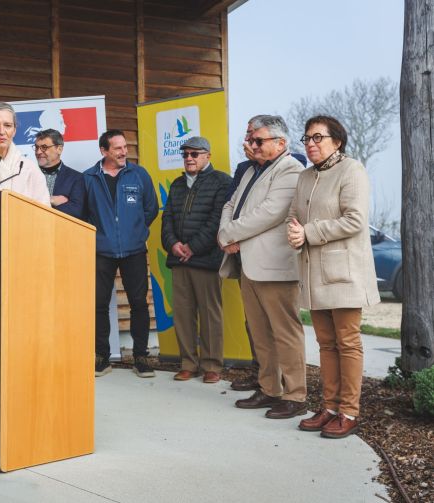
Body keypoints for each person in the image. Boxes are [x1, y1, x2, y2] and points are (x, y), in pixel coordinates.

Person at [287, 116, 380, 438]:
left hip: (344, 273)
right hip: (313, 273)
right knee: (326, 344)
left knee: (348, 342)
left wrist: (308, 233)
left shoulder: (352, 170)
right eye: (307, 139)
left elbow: (355, 220)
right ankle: (328, 407)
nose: (311, 144)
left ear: (337, 141)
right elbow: (293, 216)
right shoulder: (305, 176)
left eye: (318, 138)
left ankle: (349, 411)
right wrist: (294, 232)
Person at [218, 115, 307, 420]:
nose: (251, 145)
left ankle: (296, 395)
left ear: (281, 143)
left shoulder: (291, 169)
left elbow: (269, 213)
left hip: (275, 267)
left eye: (259, 140)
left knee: (285, 333)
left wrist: (229, 234)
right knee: (260, 334)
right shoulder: (253, 170)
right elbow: (231, 204)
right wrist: (223, 233)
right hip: (248, 265)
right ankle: (270, 389)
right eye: (251, 140)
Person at [84, 129, 159, 378]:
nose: (123, 152)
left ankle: (140, 357)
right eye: (117, 148)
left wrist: (135, 232)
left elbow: (151, 208)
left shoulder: (138, 174)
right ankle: (102, 357)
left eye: (124, 147)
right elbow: (83, 214)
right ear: (104, 151)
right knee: (98, 304)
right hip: (100, 251)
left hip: (134, 250)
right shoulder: (89, 178)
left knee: (139, 303)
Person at [161, 136, 231, 384]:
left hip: (206, 259)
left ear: (207, 156)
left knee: (210, 314)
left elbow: (217, 221)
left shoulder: (222, 182)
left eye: (195, 154)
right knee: (183, 314)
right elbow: (167, 217)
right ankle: (188, 363)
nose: (189, 158)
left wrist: (193, 247)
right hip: (180, 260)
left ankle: (212, 365)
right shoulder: (178, 184)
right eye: (186, 154)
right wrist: (173, 244)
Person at [33, 128, 85, 218]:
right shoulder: (28, 174)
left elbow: (77, 211)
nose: (38, 152)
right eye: (37, 147)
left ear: (59, 149)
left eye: (44, 147)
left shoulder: (76, 178)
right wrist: (51, 200)